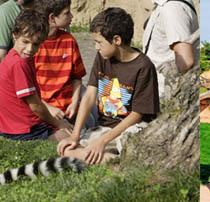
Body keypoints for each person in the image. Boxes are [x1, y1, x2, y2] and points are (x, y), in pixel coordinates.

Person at [58, 8, 160, 164]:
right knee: (66, 149)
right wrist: (75, 135)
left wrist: (103, 141)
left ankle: (116, 161)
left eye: (99, 42)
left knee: (122, 144)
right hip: (105, 127)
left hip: (132, 128)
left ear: (117, 40)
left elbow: (137, 115)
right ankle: (115, 161)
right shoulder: (103, 57)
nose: (96, 47)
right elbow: (89, 96)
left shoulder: (143, 66)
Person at [0, 10, 74, 141]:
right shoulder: (19, 63)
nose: (30, 49)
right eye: (25, 42)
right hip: (23, 129)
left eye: (35, 44)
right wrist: (57, 123)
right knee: (71, 136)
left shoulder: (15, 58)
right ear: (14, 35)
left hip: (10, 126)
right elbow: (35, 106)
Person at [32, 0, 85, 121]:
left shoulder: (69, 41)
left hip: (68, 110)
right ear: (52, 18)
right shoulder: (33, 45)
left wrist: (75, 103)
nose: (71, 16)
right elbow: (28, 87)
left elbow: (77, 77)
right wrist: (48, 108)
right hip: (42, 110)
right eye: (67, 13)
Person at [141, 0, 198, 97]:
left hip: (164, 97)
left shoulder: (172, 8)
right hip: (154, 94)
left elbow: (186, 62)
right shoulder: (165, 6)